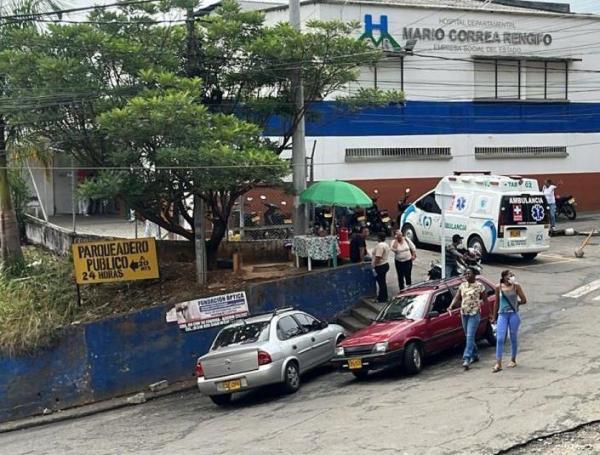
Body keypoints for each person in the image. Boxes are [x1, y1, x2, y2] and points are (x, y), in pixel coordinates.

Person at [448, 267, 489, 370]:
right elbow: (457, 297)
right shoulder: (462, 285)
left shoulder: (480, 286)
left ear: (474, 274)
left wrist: (490, 314)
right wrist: (451, 306)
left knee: (470, 335)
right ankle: (475, 355)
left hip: (474, 314)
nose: (467, 275)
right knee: (468, 336)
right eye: (465, 274)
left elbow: (485, 300)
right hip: (464, 313)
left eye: (469, 273)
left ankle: (466, 358)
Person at [491, 270, 527, 373]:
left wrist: (516, 304)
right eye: (509, 275)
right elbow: (496, 303)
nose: (511, 277)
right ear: (504, 277)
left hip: (513, 314)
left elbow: (524, 300)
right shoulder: (498, 287)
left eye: (512, 275)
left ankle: (513, 359)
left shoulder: (516, 286)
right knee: (500, 338)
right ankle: (498, 362)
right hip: (502, 314)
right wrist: (494, 317)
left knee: (513, 337)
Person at [372, 232, 391, 303]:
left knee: (381, 283)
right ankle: (383, 297)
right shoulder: (386, 244)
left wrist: (374, 264)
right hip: (385, 264)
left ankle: (382, 298)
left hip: (380, 266)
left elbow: (378, 256)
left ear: (379, 238)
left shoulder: (380, 245)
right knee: (382, 282)